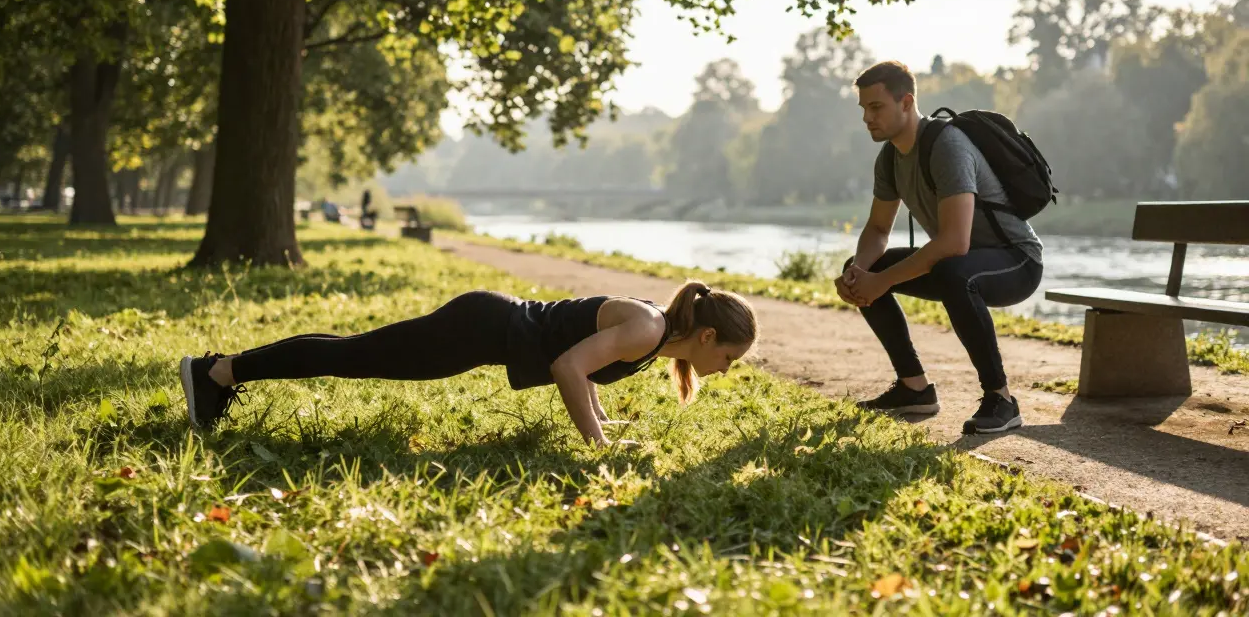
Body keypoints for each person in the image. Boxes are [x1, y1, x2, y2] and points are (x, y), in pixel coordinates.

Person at [180, 281, 758, 446]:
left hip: (486, 330)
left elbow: (584, 362)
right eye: (730, 357)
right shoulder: (650, 328)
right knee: (352, 354)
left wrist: (603, 422)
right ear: (707, 336)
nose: (728, 369)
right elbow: (568, 368)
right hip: (481, 327)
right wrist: (596, 447)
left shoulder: (654, 338)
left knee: (355, 352)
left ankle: (220, 372)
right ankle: (218, 372)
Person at [837, 61, 1044, 435]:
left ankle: (1002, 399)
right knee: (866, 265)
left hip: (1015, 261)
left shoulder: (947, 145)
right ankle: (914, 388)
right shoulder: (890, 157)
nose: (867, 117)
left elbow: (954, 241)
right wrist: (859, 274)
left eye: (876, 107)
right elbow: (879, 227)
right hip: (960, 264)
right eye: (864, 108)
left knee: (952, 271)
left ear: (906, 102)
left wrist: (880, 281)